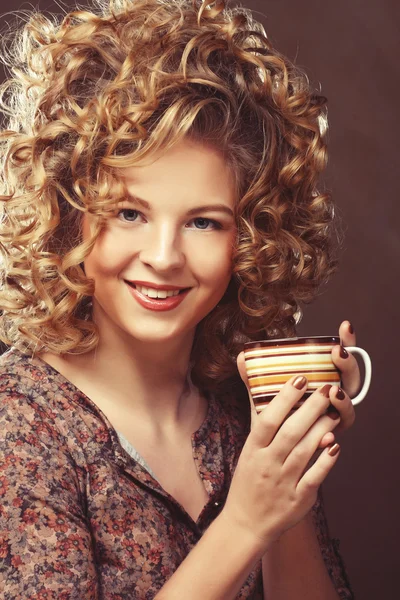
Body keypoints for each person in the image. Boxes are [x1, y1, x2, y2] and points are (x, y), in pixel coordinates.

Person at [0, 0, 361, 598]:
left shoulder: (239, 410)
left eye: (204, 223)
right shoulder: (21, 424)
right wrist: (244, 522)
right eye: (129, 213)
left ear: (251, 239)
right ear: (66, 216)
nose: (164, 256)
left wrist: (290, 478)